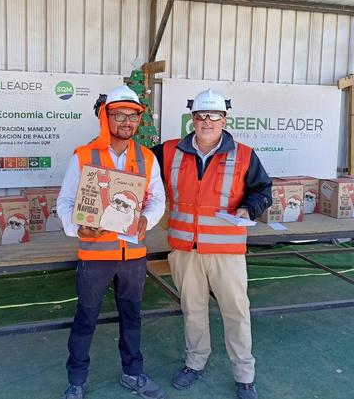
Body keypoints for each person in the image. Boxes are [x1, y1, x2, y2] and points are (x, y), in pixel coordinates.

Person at [151, 89, 272, 399]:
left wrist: (249, 208)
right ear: (192, 119)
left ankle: (244, 375)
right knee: (192, 310)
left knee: (236, 313)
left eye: (213, 115)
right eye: (201, 115)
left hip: (226, 252)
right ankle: (195, 363)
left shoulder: (244, 155)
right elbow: (135, 169)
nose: (207, 121)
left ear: (224, 120)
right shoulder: (167, 151)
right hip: (184, 250)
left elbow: (262, 190)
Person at [57, 84, 167, 399]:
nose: (126, 122)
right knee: (85, 318)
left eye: (132, 116)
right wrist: (78, 229)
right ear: (106, 117)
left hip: (133, 256)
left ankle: (133, 373)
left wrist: (147, 219)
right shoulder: (84, 156)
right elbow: (65, 201)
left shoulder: (147, 158)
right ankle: (76, 381)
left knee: (132, 317)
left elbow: (157, 199)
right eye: (119, 115)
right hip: (95, 256)